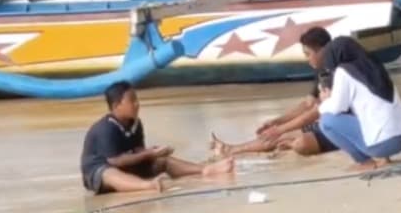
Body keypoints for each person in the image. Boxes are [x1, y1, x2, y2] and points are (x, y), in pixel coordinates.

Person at [81, 81, 234, 194]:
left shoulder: (135, 123)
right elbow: (114, 160)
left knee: (162, 161)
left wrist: (155, 152)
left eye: (137, 99)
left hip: (126, 167)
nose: (137, 104)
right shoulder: (106, 128)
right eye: (132, 101)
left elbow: (138, 150)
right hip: (99, 171)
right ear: (116, 106)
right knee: (109, 173)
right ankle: (146, 185)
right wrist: (148, 154)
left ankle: (204, 170)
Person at [210, 27, 338, 159]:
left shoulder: (334, 74)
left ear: (322, 51)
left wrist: (280, 129)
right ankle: (231, 149)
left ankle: (230, 150)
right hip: (327, 121)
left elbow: (314, 112)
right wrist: (277, 122)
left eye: (308, 54)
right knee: (283, 133)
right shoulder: (323, 71)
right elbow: (308, 104)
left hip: (338, 126)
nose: (307, 59)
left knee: (283, 136)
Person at [318, 37, 401, 170]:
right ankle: (385, 158)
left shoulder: (343, 71)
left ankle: (364, 161)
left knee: (326, 121)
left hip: (384, 144)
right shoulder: (373, 64)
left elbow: (336, 108)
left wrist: (324, 101)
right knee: (370, 110)